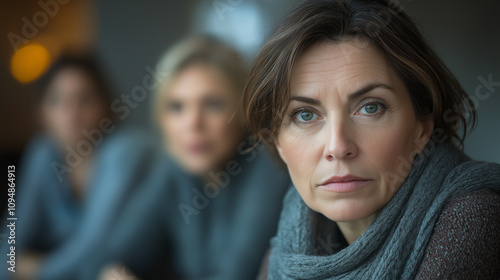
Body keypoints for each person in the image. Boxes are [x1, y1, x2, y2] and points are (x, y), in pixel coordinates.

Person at [242, 0, 500, 279]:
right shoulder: (284, 255)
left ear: (423, 126)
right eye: (305, 115)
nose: (338, 147)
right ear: (278, 142)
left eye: (370, 107)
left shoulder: (474, 217)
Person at [97, 36, 291, 280]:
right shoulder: (173, 166)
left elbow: (236, 275)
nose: (192, 124)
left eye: (212, 104)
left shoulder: (267, 164)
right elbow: (116, 255)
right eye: (177, 107)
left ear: (242, 110)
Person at [0, 53, 159, 280]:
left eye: (84, 100)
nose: (71, 112)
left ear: (106, 106)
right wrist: (7, 268)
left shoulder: (125, 151)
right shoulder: (42, 152)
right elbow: (14, 230)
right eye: (57, 100)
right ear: (42, 111)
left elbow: (96, 246)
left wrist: (38, 271)